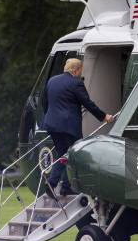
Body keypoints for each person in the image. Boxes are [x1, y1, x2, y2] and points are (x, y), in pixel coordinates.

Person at [42, 58, 114, 195]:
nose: (81, 74)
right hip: (69, 126)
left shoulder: (52, 81)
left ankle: (64, 187)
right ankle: (53, 183)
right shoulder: (76, 83)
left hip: (52, 124)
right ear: (76, 70)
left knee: (64, 154)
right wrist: (104, 116)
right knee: (72, 154)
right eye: (81, 70)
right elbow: (88, 103)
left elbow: (45, 102)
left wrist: (49, 117)